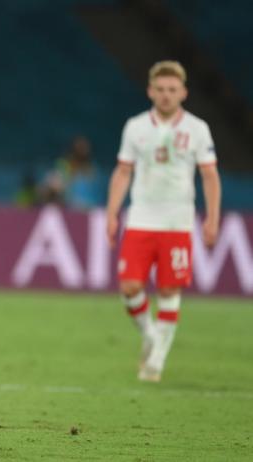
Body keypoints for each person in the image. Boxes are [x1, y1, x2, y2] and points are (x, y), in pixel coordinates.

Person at [106, 61, 221, 382]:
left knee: (169, 289)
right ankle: (151, 335)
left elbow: (209, 176)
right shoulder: (135, 127)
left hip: (177, 222)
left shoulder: (197, 129)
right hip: (141, 218)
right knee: (130, 286)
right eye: (160, 89)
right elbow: (123, 171)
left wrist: (212, 218)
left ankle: (156, 360)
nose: (166, 95)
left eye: (172, 90)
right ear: (150, 91)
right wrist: (112, 213)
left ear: (183, 92)